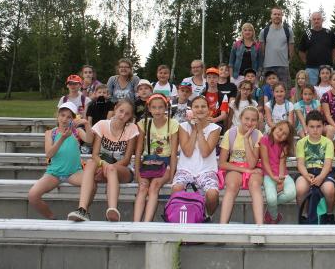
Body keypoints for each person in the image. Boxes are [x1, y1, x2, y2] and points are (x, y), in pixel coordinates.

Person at [67, 99, 138, 222]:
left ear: (130, 116)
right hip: (102, 165)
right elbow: (95, 154)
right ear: (115, 109)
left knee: (111, 168)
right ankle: (82, 209)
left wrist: (108, 168)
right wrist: (103, 164)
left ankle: (112, 210)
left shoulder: (132, 128)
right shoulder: (102, 125)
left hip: (123, 170)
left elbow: (126, 159)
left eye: (127, 114)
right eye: (121, 111)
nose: (123, 115)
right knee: (90, 163)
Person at [29, 102, 92, 219]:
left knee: (91, 184)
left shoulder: (77, 131)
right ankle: (52, 218)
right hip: (54, 174)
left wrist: (87, 124)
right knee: (33, 195)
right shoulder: (50, 133)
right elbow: (49, 154)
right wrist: (62, 138)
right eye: (62, 115)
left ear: (73, 119)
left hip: (74, 172)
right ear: (57, 116)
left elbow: (90, 140)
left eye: (69, 117)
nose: (64, 119)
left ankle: (83, 211)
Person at [172, 96, 222, 220]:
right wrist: (194, 129)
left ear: (209, 110)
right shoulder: (183, 126)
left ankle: (207, 216)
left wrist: (199, 129)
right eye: (196, 107)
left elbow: (205, 152)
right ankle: (179, 219)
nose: (200, 109)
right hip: (185, 169)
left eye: (203, 106)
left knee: (212, 194)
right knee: (177, 188)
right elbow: (188, 152)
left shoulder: (215, 128)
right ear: (191, 110)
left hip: (206, 171)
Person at [134, 94, 179, 222]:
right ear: (149, 108)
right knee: (143, 186)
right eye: (154, 107)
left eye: (160, 107)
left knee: (154, 185)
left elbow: (174, 152)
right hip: (147, 161)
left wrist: (172, 175)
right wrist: (137, 172)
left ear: (165, 107)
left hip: (165, 162)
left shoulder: (172, 124)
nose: (157, 110)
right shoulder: (144, 123)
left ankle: (147, 224)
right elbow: (138, 151)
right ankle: (136, 223)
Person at [218, 107, 264, 224]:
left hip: (252, 167)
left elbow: (252, 164)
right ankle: (222, 226)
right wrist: (245, 170)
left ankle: (260, 226)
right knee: (232, 185)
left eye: (253, 120)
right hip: (234, 167)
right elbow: (222, 163)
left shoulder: (258, 135)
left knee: (255, 184)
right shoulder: (230, 133)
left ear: (257, 121)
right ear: (240, 118)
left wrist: (246, 139)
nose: (249, 123)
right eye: (246, 119)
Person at [295, 110, 335, 223]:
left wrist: (321, 177)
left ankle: (329, 213)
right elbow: (300, 164)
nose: (315, 130)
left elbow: (328, 164)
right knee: (300, 189)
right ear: (307, 127)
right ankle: (304, 215)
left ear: (323, 126)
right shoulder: (301, 143)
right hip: (306, 171)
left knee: (329, 189)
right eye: (312, 127)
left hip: (323, 171)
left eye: (318, 126)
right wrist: (306, 175)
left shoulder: (328, 142)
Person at [260, 121, 296, 224]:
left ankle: (271, 208)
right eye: (280, 129)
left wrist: (281, 180)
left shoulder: (284, 145)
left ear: (287, 138)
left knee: (291, 194)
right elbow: (265, 162)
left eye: (284, 134)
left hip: (283, 174)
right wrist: (272, 177)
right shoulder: (264, 140)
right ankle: (275, 217)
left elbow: (282, 163)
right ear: (275, 127)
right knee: (271, 199)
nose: (280, 134)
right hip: (268, 175)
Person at [298, 12, 335, 85]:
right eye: (314, 19)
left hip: (327, 68)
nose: (316, 21)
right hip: (311, 69)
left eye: (318, 19)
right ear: (311, 21)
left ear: (322, 20)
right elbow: (301, 51)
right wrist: (306, 62)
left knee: (329, 89)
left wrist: (331, 61)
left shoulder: (329, 33)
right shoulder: (306, 34)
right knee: (311, 90)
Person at [259, 7, 294, 89]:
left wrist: (288, 61)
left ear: (282, 16)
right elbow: (262, 50)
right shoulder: (264, 31)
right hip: (268, 66)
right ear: (271, 16)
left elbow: (291, 49)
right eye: (275, 14)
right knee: (267, 91)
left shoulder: (288, 31)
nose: (277, 16)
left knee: (284, 90)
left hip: (283, 66)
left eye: (279, 14)